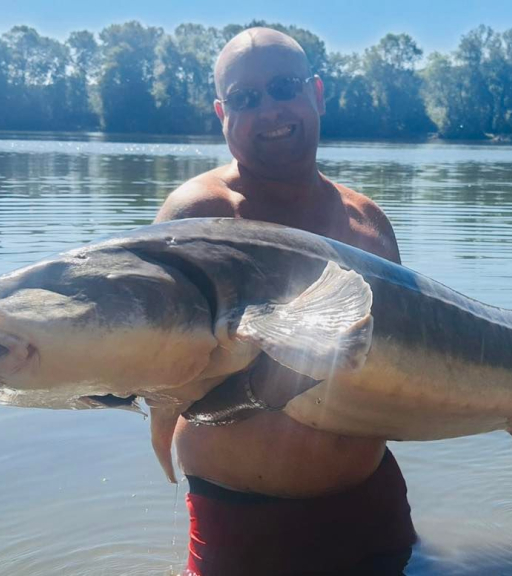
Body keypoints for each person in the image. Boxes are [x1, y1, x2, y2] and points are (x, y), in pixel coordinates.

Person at [153, 27, 417, 576]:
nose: (269, 110)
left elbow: (411, 363)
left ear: (316, 94)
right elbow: (167, 383)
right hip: (241, 526)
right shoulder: (197, 217)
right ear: (222, 114)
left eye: (283, 88)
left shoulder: (369, 223)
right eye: (245, 98)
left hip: (372, 511)